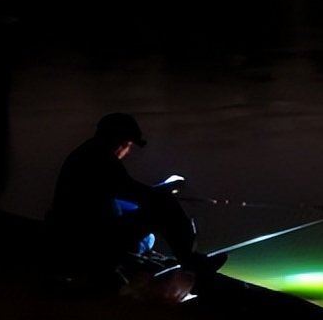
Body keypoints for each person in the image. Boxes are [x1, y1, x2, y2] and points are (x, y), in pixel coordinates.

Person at [45, 113, 223, 298]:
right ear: (117, 139)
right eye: (128, 144)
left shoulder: (88, 153)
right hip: (87, 243)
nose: (127, 150)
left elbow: (126, 192)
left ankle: (186, 260)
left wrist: (158, 192)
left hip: (82, 236)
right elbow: (138, 194)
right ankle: (193, 264)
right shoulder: (100, 159)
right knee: (164, 205)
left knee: (154, 210)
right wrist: (166, 190)